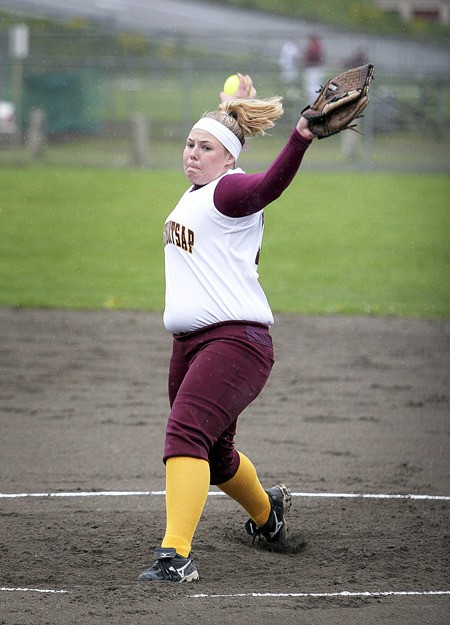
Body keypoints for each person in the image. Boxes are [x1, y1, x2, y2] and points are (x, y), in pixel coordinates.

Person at [138, 73, 316, 583]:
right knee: (214, 456)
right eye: (190, 144)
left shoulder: (230, 191)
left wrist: (299, 137)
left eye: (207, 147)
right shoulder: (198, 195)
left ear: (230, 159)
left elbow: (267, 185)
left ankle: (175, 556)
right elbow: (226, 152)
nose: (193, 153)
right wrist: (229, 110)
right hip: (192, 345)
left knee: (185, 433)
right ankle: (269, 515)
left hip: (235, 341)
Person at [302, 34, 325, 103]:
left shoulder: (314, 47)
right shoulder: (318, 46)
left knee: (313, 87)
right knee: (314, 86)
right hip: (315, 68)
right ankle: (314, 102)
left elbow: (311, 57)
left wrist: (305, 61)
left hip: (313, 69)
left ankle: (314, 102)